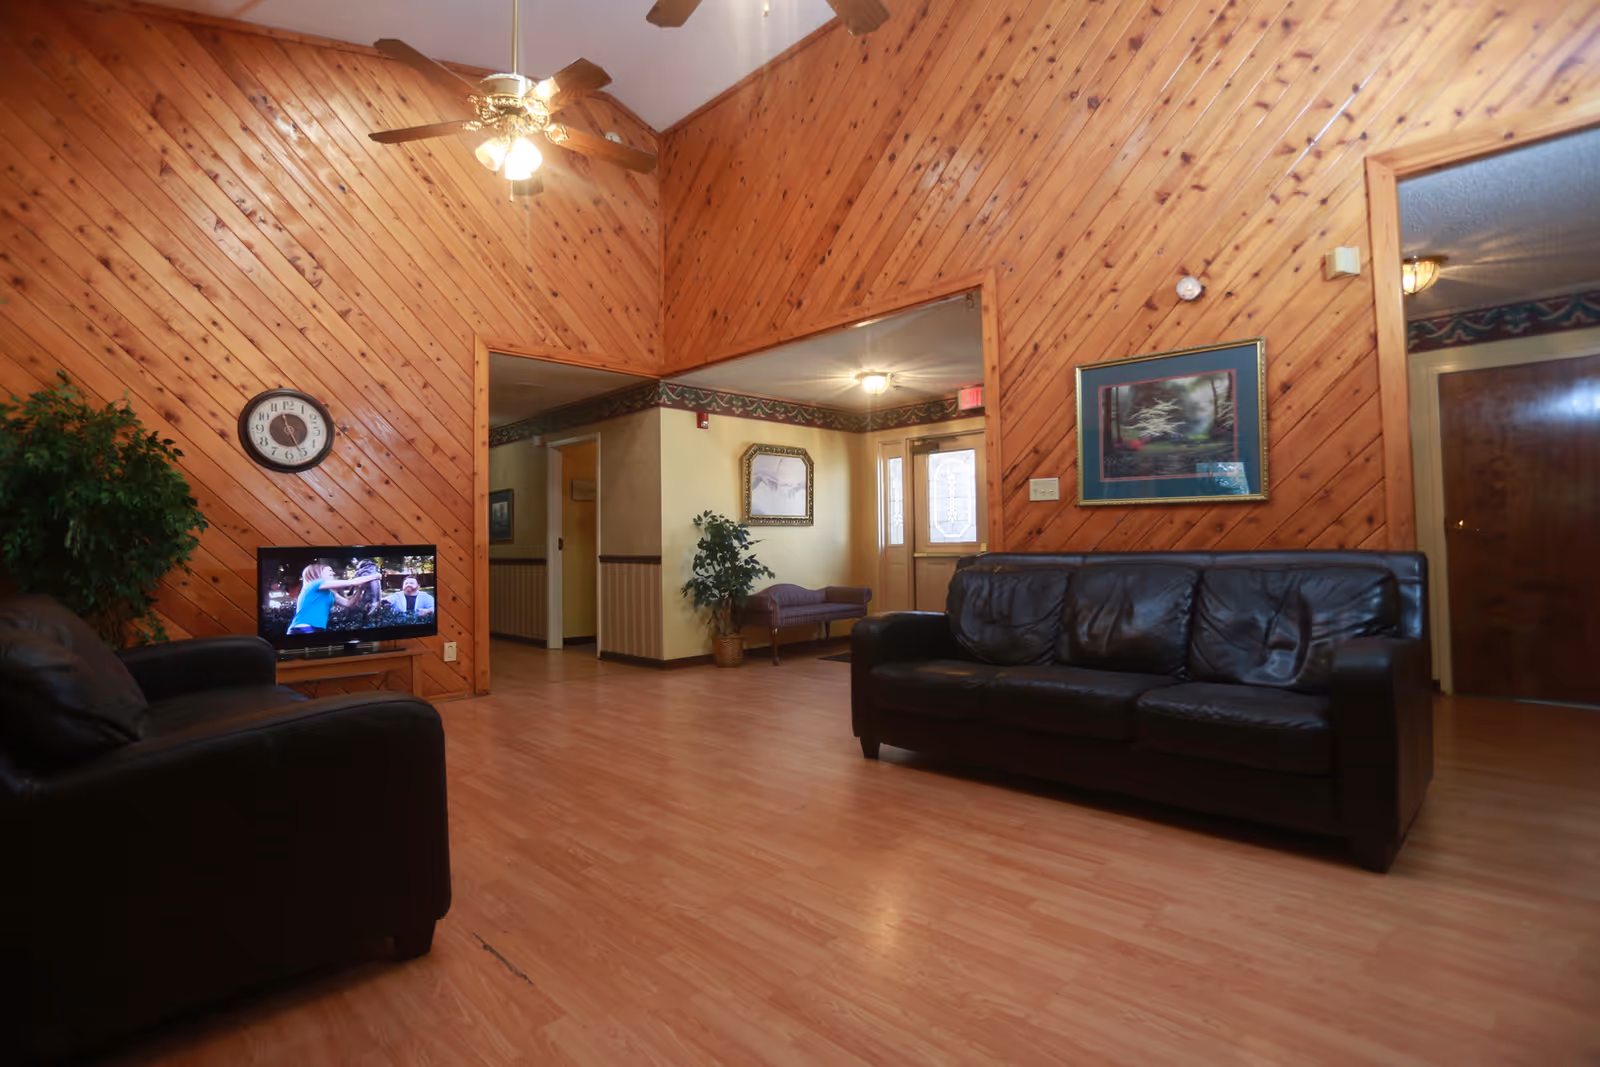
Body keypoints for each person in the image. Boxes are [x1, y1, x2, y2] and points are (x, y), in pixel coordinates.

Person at [285, 563, 376, 634]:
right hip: (304, 628)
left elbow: (349, 604)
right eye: (329, 571)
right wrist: (375, 576)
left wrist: (360, 589)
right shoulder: (315, 584)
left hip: (316, 629)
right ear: (318, 572)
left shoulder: (330, 592)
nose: (333, 573)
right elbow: (352, 582)